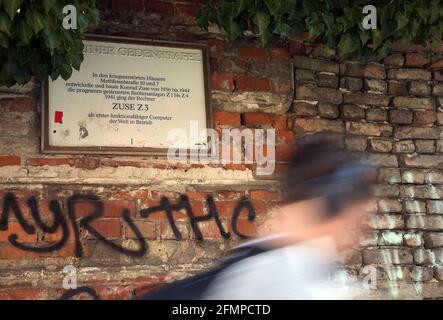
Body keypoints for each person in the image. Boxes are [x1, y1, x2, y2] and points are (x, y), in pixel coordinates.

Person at [140, 134, 375, 300]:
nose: (362, 231)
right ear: (329, 207)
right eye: (358, 218)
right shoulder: (280, 275)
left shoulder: (266, 258)